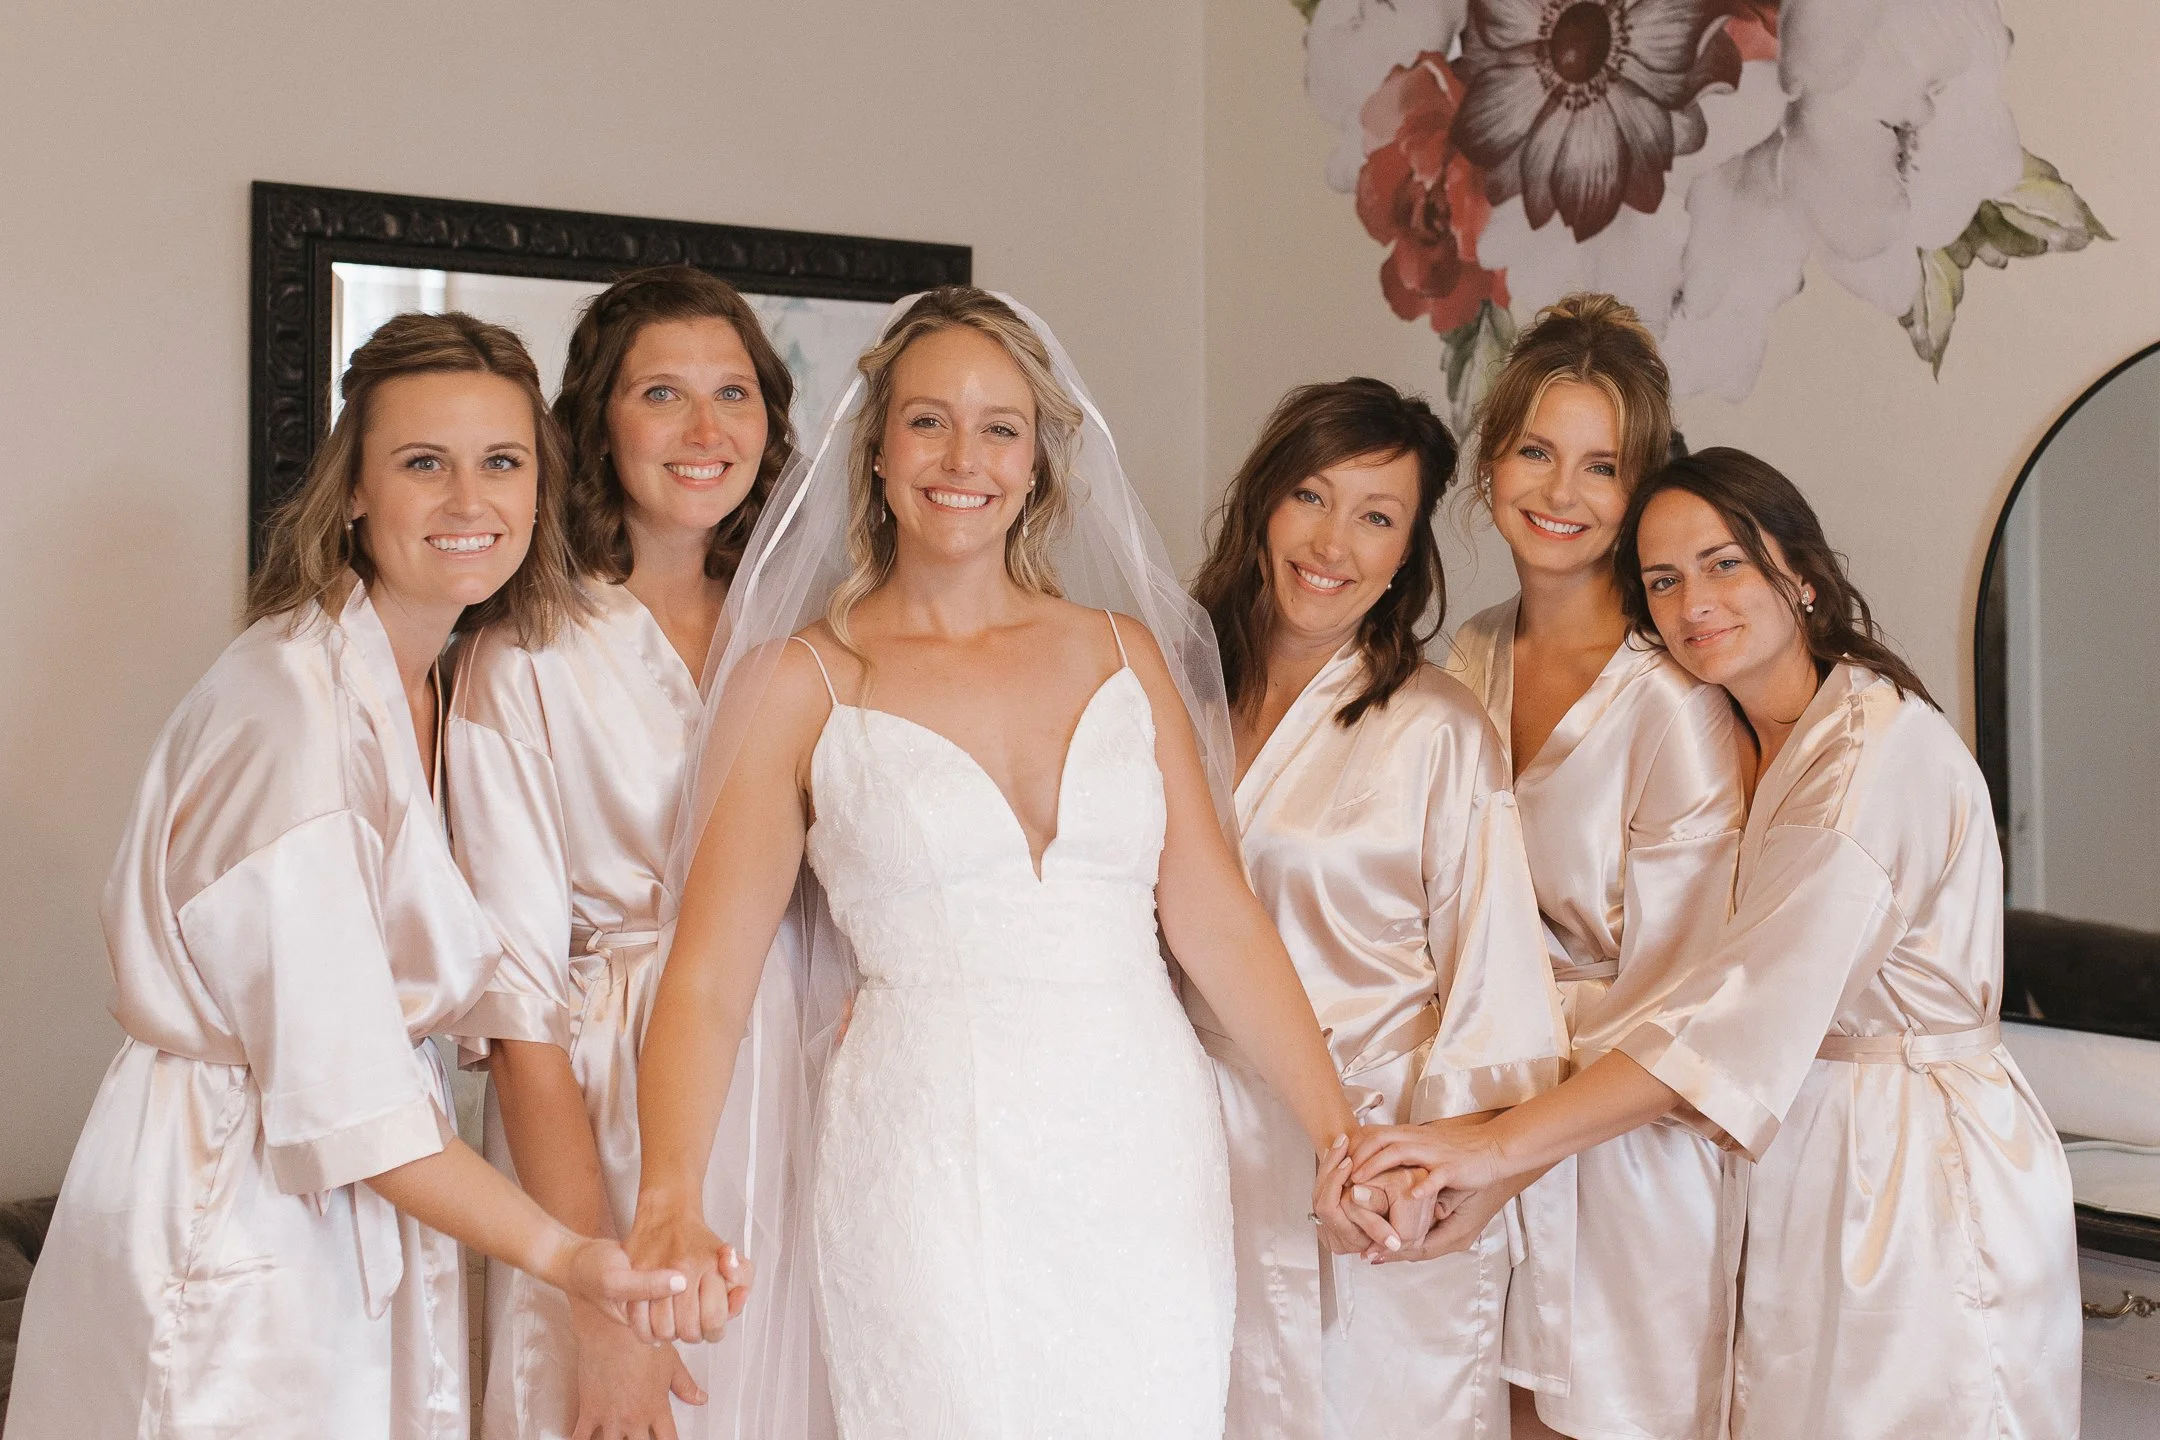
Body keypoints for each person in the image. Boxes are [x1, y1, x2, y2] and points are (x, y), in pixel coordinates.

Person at [623, 287, 1398, 1438]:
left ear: (1036, 461)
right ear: (876, 449)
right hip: (925, 1161)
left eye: (1000, 427)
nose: (963, 459)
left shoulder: (1124, 655)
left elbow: (1217, 921)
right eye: (928, 421)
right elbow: (705, 980)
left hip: (1146, 1160)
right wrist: (669, 1195)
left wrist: (1340, 1133)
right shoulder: (798, 682)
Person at [3, 313, 683, 1440]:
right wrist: (571, 1261)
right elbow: (348, 1095)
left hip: (352, 1196)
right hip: (241, 1202)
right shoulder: (289, 713)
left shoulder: (428, 680)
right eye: (423, 463)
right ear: (354, 490)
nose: (469, 500)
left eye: (501, 461)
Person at [1346, 447, 2083, 1440]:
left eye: (1724, 563)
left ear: (1803, 574)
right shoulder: (1757, 736)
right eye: (1663, 580)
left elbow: (1731, 1021)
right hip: (1798, 1150)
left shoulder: (1872, 755)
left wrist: (1488, 1153)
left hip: (1911, 1166)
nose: (1693, 602)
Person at [445, 267, 811, 1440]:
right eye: (663, 394)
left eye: (733, 393)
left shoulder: (803, 635)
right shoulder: (524, 658)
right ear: (598, 423)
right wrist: (602, 1307)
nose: (707, 430)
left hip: (801, 1087)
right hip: (604, 1107)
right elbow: (517, 1020)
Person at [1189, 378, 1564, 1440]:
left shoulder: (1436, 731)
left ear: (1407, 553)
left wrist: (1433, 1174)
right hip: (1194, 1151)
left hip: (1384, 1169)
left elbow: (1497, 991)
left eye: (1377, 517)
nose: (1333, 543)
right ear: (1263, 502)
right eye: (1311, 496)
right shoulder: (1177, 700)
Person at [1445, 296, 1747, 1440]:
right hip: (1475, 1106)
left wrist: (1517, 1134)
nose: (1560, 492)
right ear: (1491, 459)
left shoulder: (1675, 698)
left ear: (1640, 491)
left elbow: (1689, 995)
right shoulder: (1470, 652)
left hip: (1626, 1151)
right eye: (1536, 451)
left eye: (1601, 466)